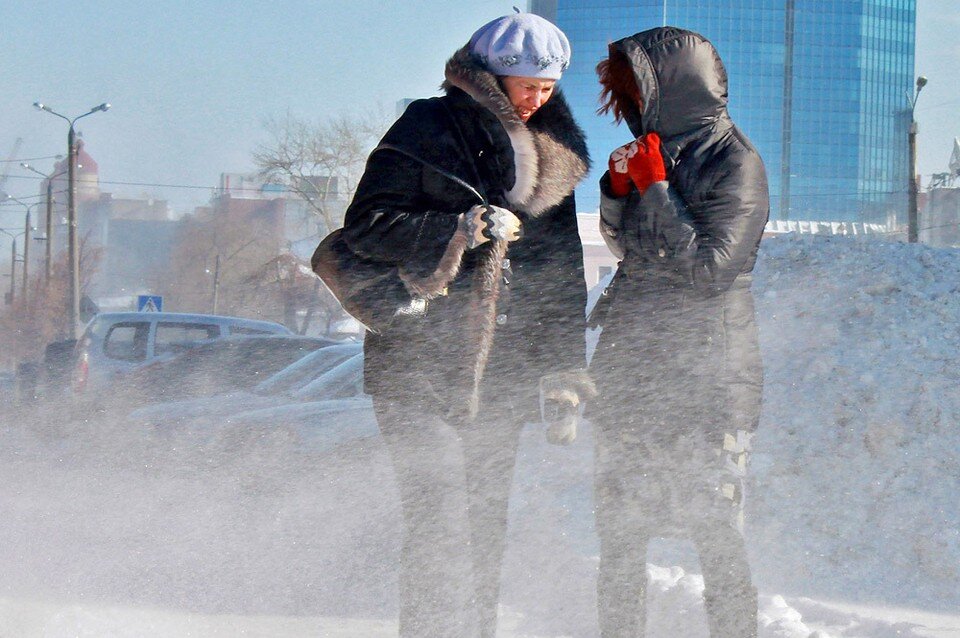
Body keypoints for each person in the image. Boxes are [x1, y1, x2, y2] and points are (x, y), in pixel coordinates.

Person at [338, 13, 593, 638]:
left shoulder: (555, 152)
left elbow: (562, 270)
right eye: (525, 84)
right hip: (419, 367)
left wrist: (564, 366)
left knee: (484, 526)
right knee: (441, 522)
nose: (538, 98)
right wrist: (460, 230)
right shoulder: (430, 125)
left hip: (502, 376)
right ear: (489, 77)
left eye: (548, 87)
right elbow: (366, 227)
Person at [588, 27, 769, 638]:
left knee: (715, 538)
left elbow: (709, 273)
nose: (628, 110)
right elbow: (628, 252)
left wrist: (656, 187)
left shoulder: (736, 160)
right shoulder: (652, 149)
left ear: (672, 90)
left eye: (635, 94)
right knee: (619, 538)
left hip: (705, 387)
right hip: (630, 377)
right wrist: (619, 193)